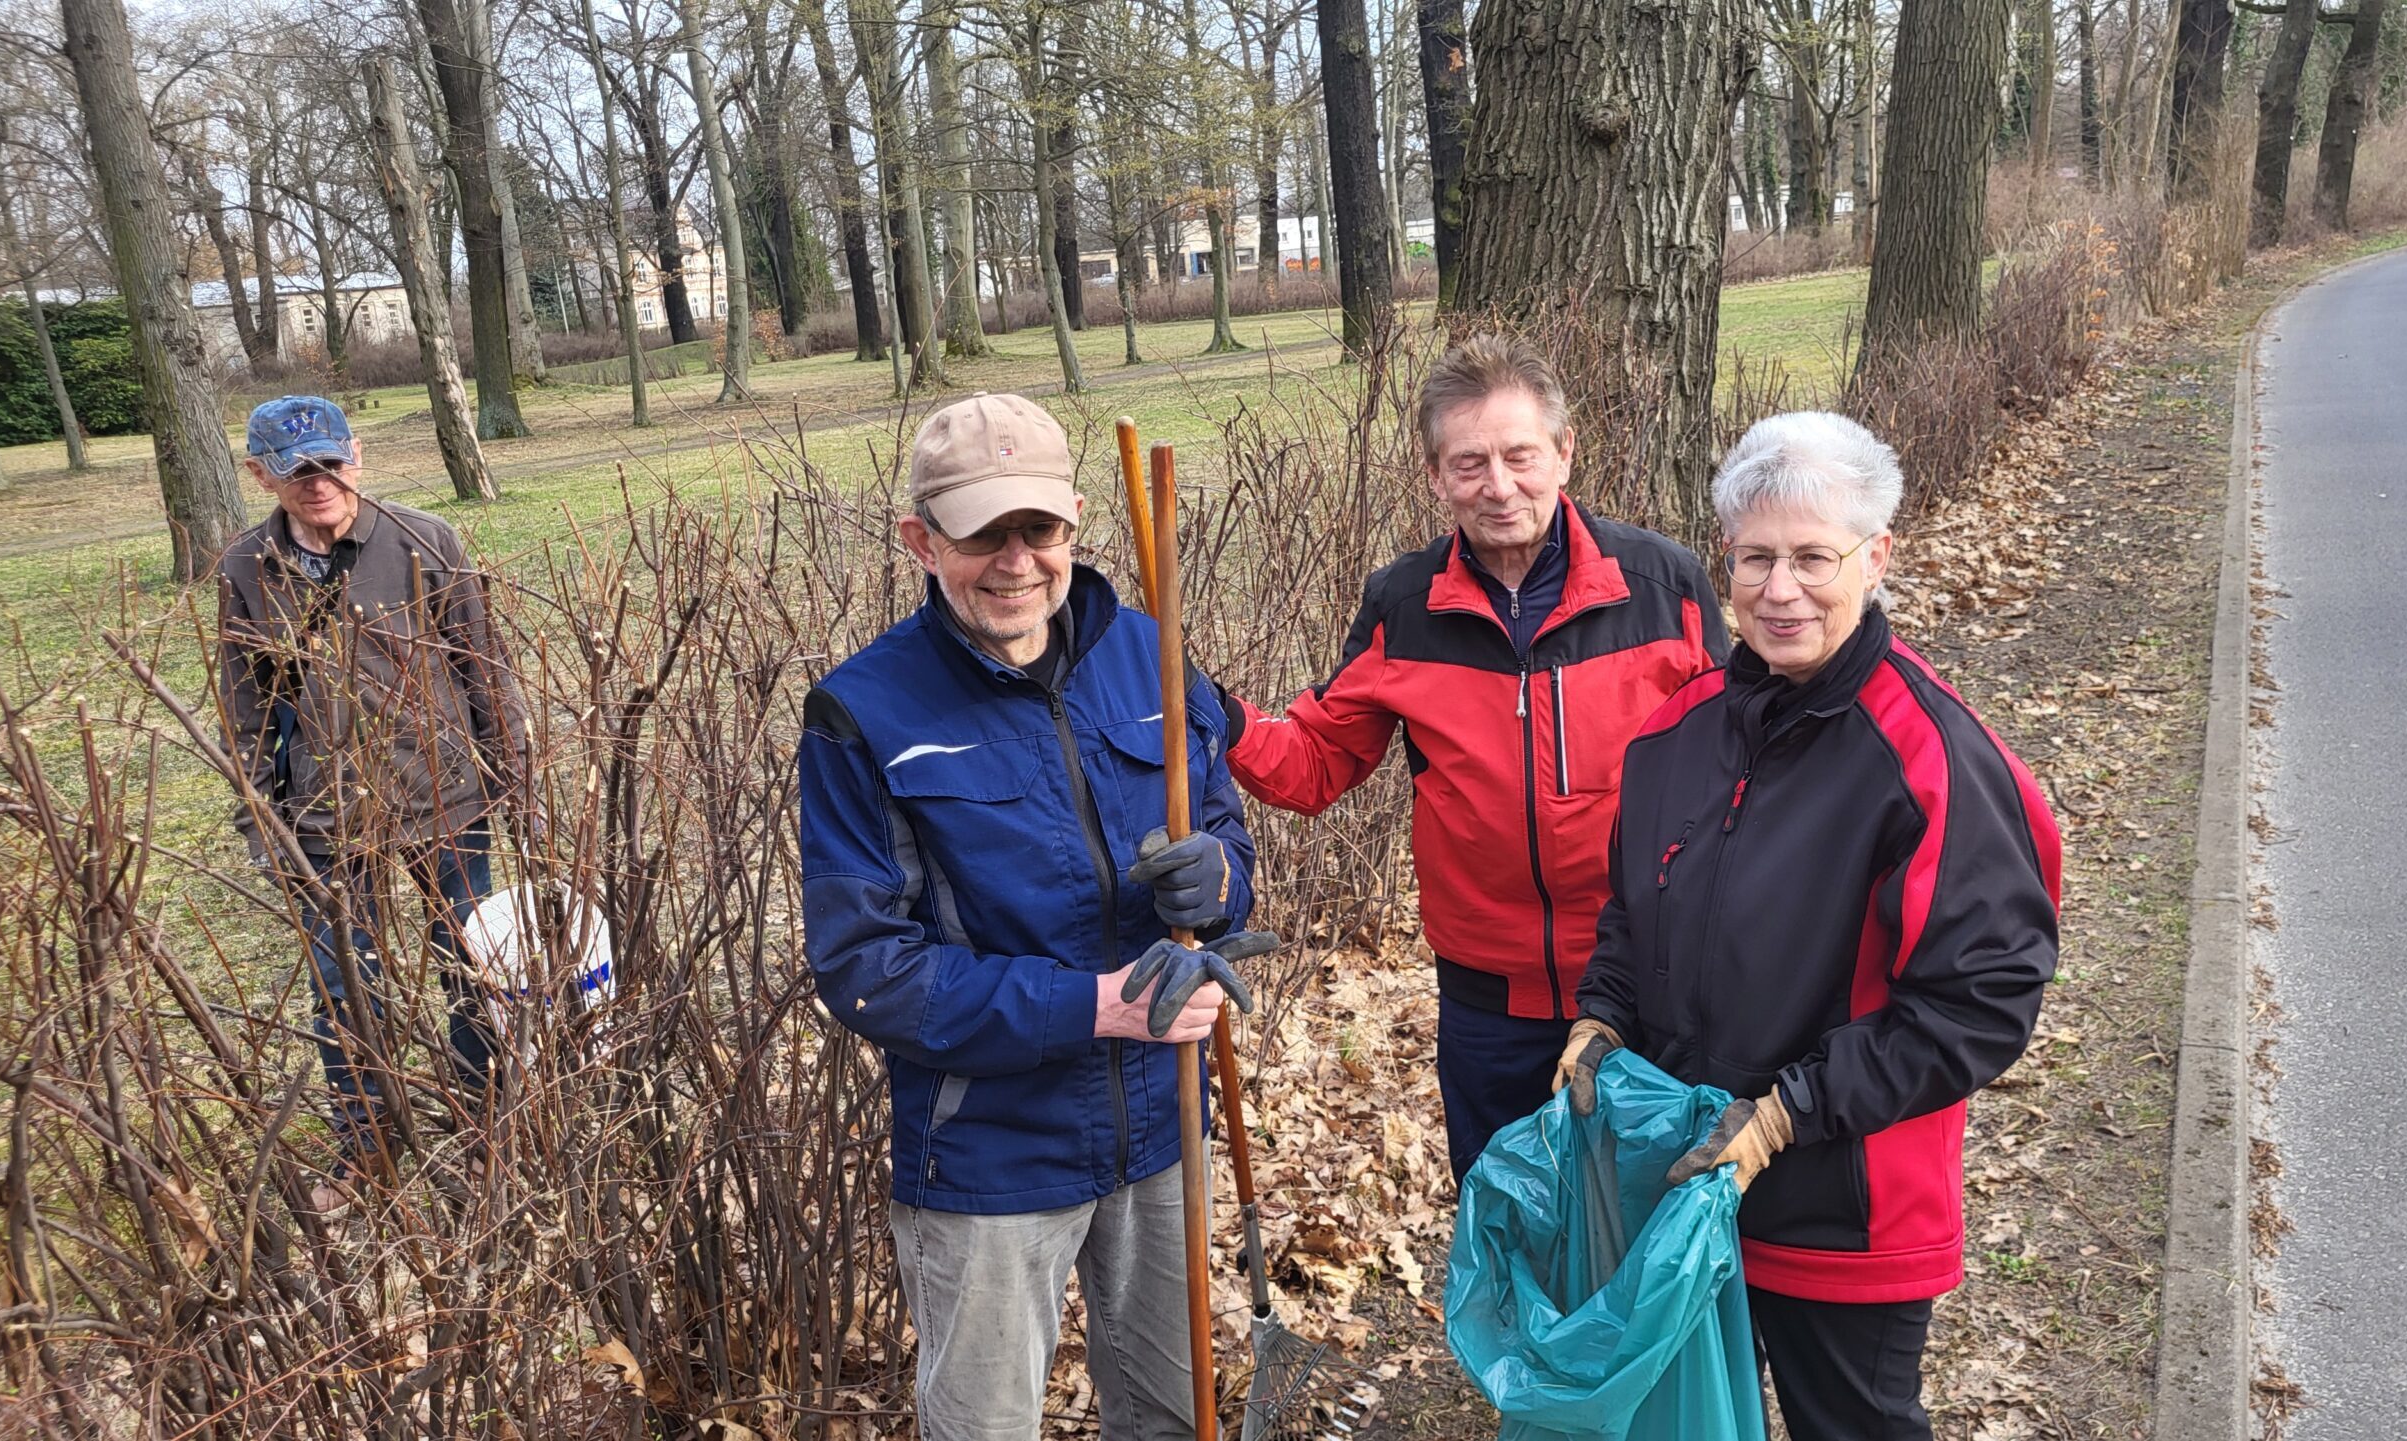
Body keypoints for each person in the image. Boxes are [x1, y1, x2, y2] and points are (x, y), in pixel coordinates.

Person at [1557, 411, 2062, 1440]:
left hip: (1846, 1208)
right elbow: (1632, 906)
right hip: (1684, 1188)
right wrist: (1602, 1014)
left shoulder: (1929, 757)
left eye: (1811, 558)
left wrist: (1785, 1112)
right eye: (1754, 558)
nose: (1778, 589)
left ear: (1876, 557)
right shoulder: (1676, 733)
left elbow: (1979, 1001)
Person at [799, 392, 1271, 1441]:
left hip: (1162, 1126)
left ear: (1073, 522)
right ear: (921, 540)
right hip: (985, 1158)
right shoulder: (865, 712)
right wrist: (1092, 1006)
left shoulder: (1153, 652)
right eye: (980, 535)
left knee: (1168, 1415)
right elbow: (865, 966)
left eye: (1037, 529)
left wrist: (1220, 881)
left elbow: (1230, 834)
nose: (1015, 562)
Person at [1219, 335, 1726, 1181]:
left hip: (1653, 985)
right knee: (1509, 1235)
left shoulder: (1664, 588)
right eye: (1469, 463)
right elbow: (1310, 764)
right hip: (1490, 1003)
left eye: (1520, 455)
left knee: (1648, 1246)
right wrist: (1214, 715)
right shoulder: (1404, 606)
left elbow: (1740, 773)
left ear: (1564, 452)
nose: (1498, 486)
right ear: (1434, 474)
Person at [216, 395, 531, 1212]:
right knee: (343, 985)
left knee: (474, 970)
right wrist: (263, 820)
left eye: (329, 462)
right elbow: (244, 706)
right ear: (260, 475)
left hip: (446, 799)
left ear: (356, 455)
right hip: (324, 815)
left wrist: (516, 781)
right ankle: (367, 1150)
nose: (318, 482)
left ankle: (487, 1133)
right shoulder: (247, 568)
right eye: (295, 470)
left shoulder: (428, 538)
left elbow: (482, 668)